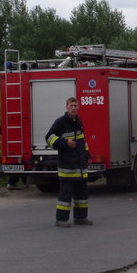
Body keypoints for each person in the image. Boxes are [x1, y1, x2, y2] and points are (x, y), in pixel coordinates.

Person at [45, 97, 93, 227]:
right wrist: (64, 142)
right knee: (65, 196)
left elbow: (82, 140)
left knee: (81, 195)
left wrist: (86, 152)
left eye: (75, 106)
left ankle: (81, 218)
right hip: (67, 167)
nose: (73, 108)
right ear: (67, 107)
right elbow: (49, 137)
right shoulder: (60, 122)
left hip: (80, 167)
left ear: (78, 107)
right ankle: (61, 220)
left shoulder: (79, 121)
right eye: (71, 105)